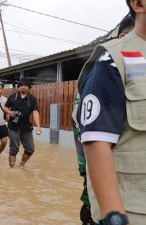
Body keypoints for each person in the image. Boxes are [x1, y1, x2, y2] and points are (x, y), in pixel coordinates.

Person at [72, 1, 146, 224]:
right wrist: (113, 214)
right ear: (138, 3)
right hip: (135, 210)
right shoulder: (113, 59)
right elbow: (96, 141)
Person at [4, 78, 41, 168]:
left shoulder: (32, 99)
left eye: (25, 85)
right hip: (13, 127)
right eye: (21, 85)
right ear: (18, 87)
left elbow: (35, 112)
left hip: (26, 127)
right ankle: (12, 169)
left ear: (29, 87)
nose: (23, 87)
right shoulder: (12, 97)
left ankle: (21, 165)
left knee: (30, 149)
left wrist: (38, 126)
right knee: (14, 148)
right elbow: (5, 107)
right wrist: (9, 112)